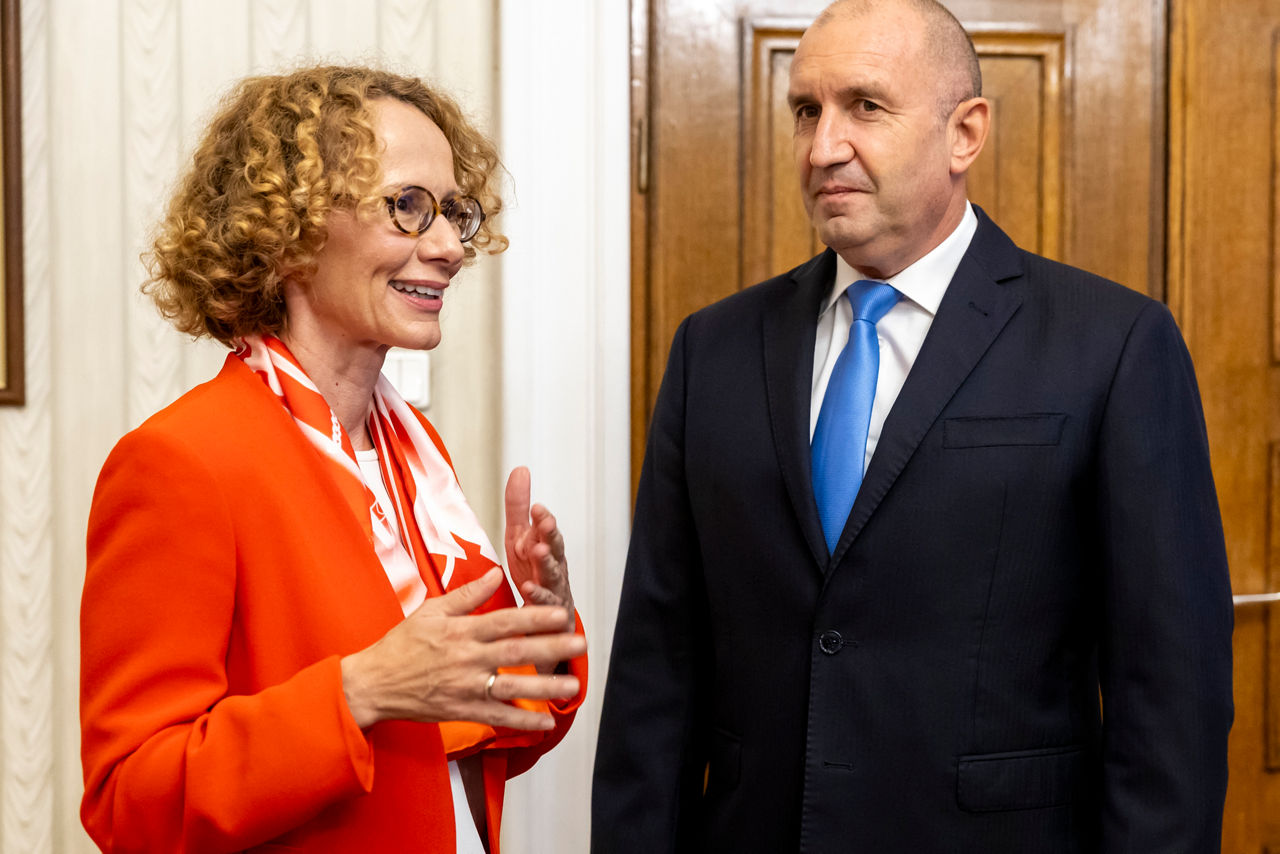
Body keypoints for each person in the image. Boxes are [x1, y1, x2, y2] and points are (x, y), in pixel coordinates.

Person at [592, 0, 1233, 850]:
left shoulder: (1111, 346)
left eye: (866, 106)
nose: (824, 147)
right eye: (805, 111)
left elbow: (1171, 697)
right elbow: (655, 673)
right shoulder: (714, 349)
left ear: (965, 133)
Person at [80, 65, 588, 854]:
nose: (452, 246)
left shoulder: (410, 458)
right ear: (289, 231)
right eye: (409, 207)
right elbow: (131, 803)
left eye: (455, 211)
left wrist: (541, 630)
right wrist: (360, 692)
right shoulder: (180, 463)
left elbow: (456, 753)